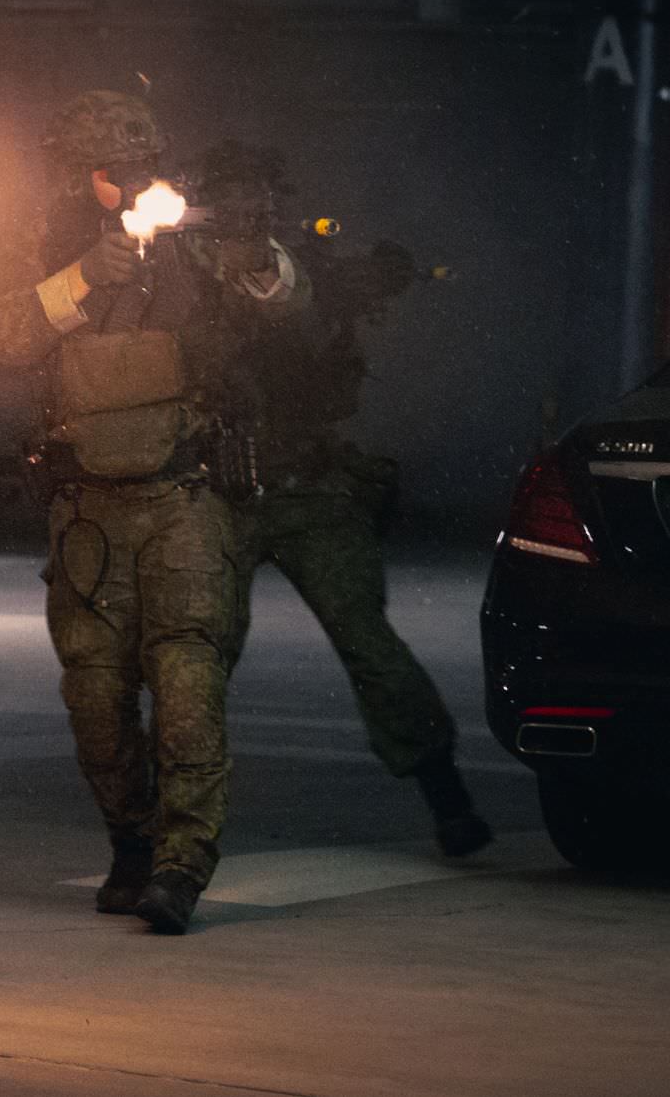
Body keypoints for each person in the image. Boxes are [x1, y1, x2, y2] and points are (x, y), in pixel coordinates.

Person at [0, 91, 304, 935]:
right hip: (87, 509)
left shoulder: (189, 234)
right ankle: (130, 843)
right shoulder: (40, 243)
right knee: (94, 695)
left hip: (182, 498)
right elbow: (4, 336)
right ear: (74, 174)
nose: (125, 183)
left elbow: (281, 299)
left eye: (137, 166)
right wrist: (85, 277)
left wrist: (253, 250)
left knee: (188, 680)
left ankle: (180, 863)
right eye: (107, 170)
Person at [203, 140, 492, 859]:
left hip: (307, 486)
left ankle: (445, 793)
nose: (247, 209)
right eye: (231, 195)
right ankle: (167, 813)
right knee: (197, 657)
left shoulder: (302, 272)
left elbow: (316, 325)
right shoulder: (178, 272)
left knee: (367, 642)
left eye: (257, 197)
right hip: (217, 493)